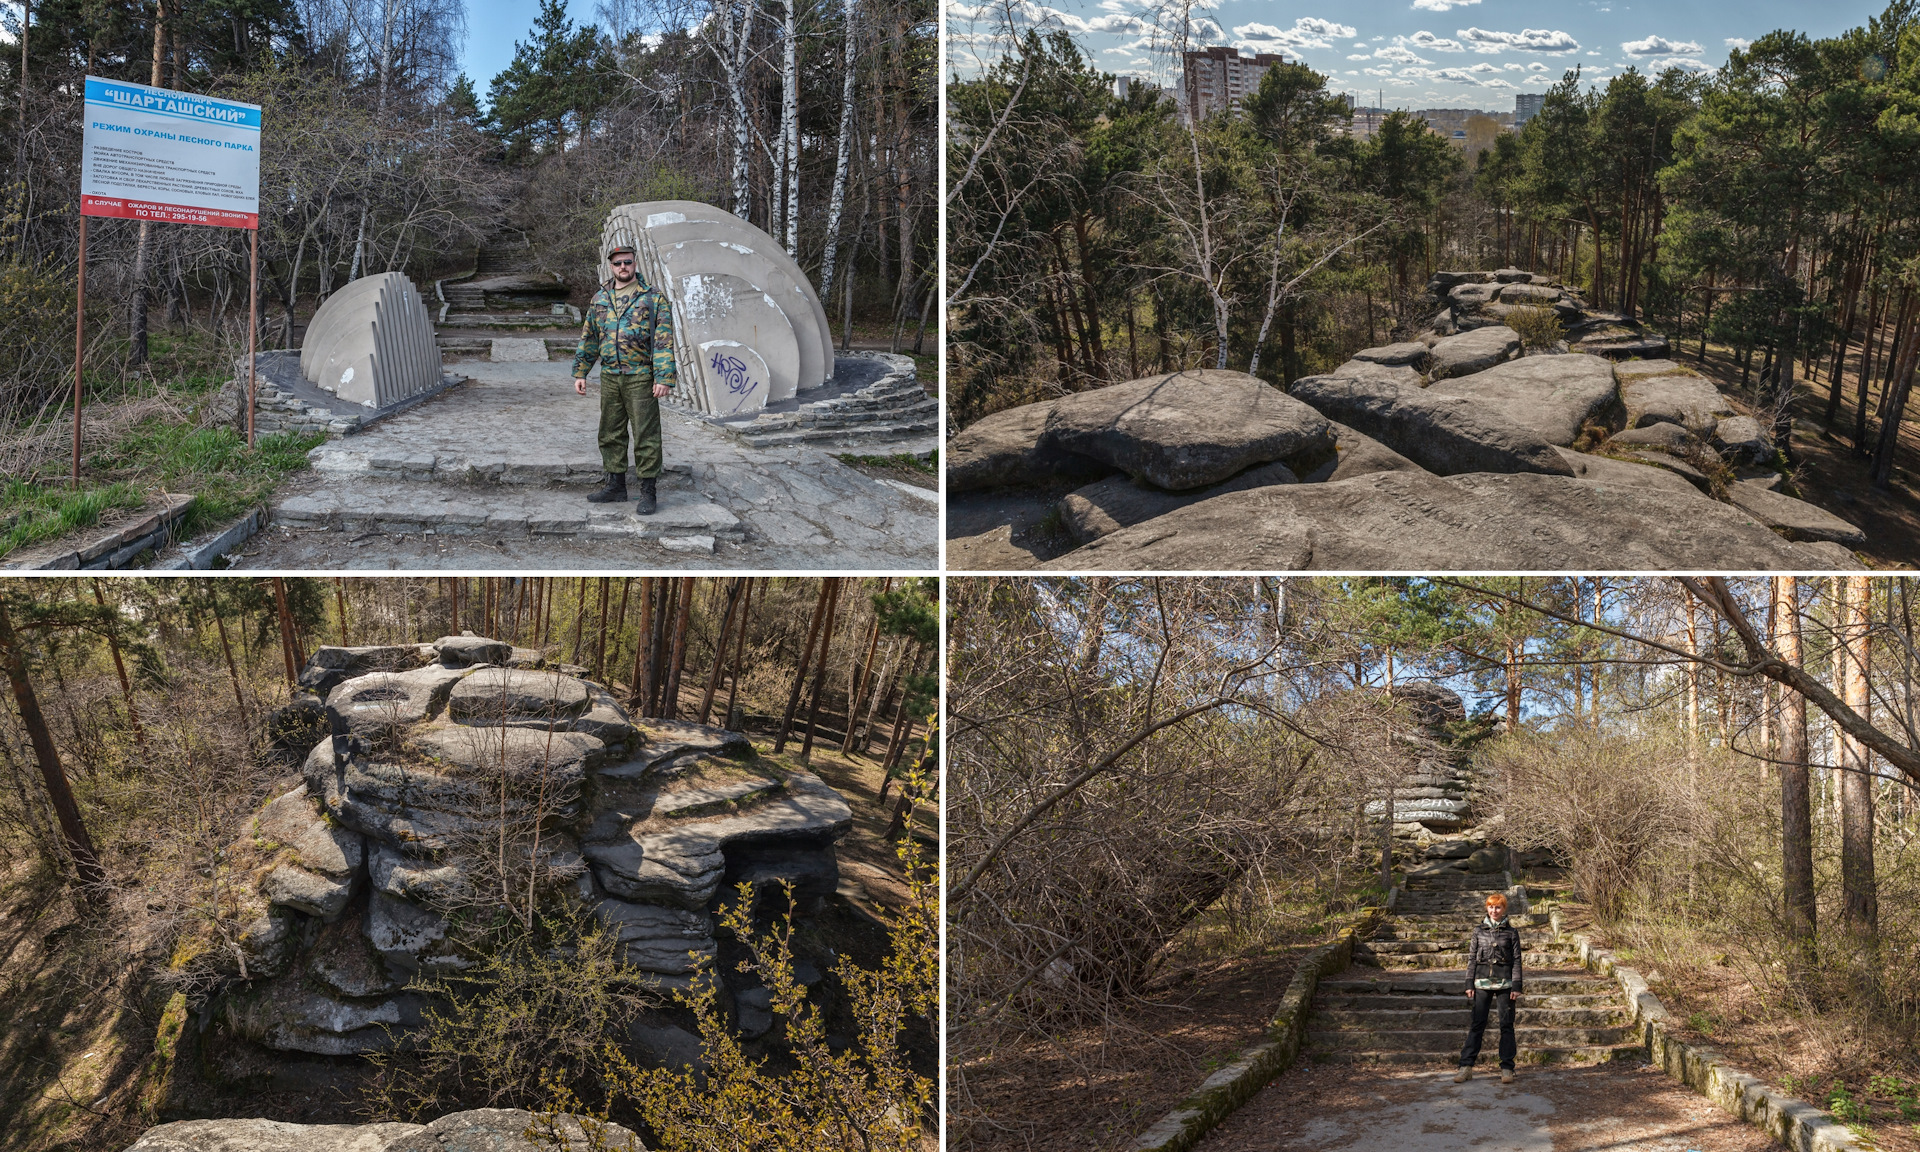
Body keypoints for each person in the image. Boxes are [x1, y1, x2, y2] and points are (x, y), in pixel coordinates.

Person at [572, 244, 677, 516]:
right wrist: (581, 372)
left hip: (640, 376)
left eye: (627, 262)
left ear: (635, 264)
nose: (623, 267)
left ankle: (648, 491)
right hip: (609, 376)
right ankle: (616, 486)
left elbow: (663, 341)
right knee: (610, 432)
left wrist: (663, 377)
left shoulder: (652, 298)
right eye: (618, 263)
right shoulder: (600, 298)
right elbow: (590, 337)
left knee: (646, 434)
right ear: (611, 266)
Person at [1454, 891, 1523, 1085]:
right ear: (1487, 908)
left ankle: (1507, 1068)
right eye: (1491, 906)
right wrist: (1469, 983)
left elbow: (1517, 960)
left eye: (1498, 907)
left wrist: (1516, 985)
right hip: (1482, 983)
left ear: (1504, 909)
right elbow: (1471, 958)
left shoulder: (1512, 933)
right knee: (1477, 1025)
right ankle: (1466, 1067)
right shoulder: (1478, 931)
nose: (1494, 910)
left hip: (1505, 984)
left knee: (1506, 1025)